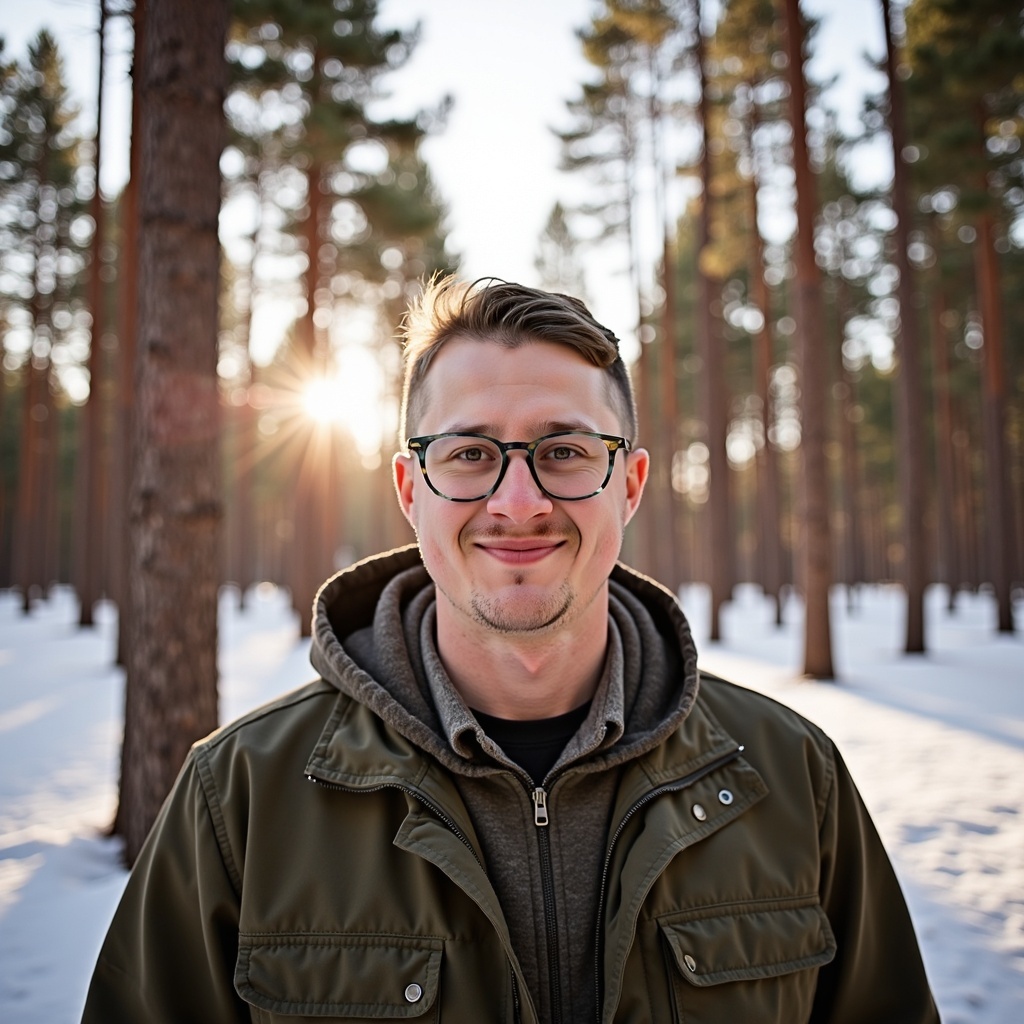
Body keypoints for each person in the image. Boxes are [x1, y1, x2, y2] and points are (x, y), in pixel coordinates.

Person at [83, 277, 940, 1023]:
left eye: (565, 451)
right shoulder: (239, 797)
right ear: (411, 490)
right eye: (470, 454)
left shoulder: (791, 777)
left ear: (630, 486)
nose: (518, 501)